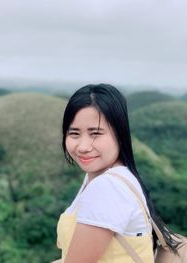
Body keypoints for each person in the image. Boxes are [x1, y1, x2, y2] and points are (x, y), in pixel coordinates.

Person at [53, 84, 179, 263]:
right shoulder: (107, 177)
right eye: (74, 133)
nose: (83, 146)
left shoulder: (108, 187)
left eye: (95, 133)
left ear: (119, 134)